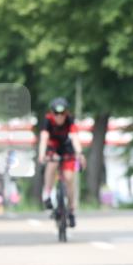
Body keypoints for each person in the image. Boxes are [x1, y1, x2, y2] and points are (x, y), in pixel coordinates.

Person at [37, 97, 85, 227]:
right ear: (52, 113)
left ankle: (71, 209)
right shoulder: (48, 120)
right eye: (56, 113)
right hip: (53, 147)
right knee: (52, 164)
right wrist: (41, 155)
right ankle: (47, 193)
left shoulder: (70, 120)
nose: (59, 116)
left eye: (62, 113)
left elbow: (75, 138)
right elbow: (44, 138)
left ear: (66, 113)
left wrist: (79, 153)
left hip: (66, 147)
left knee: (69, 179)